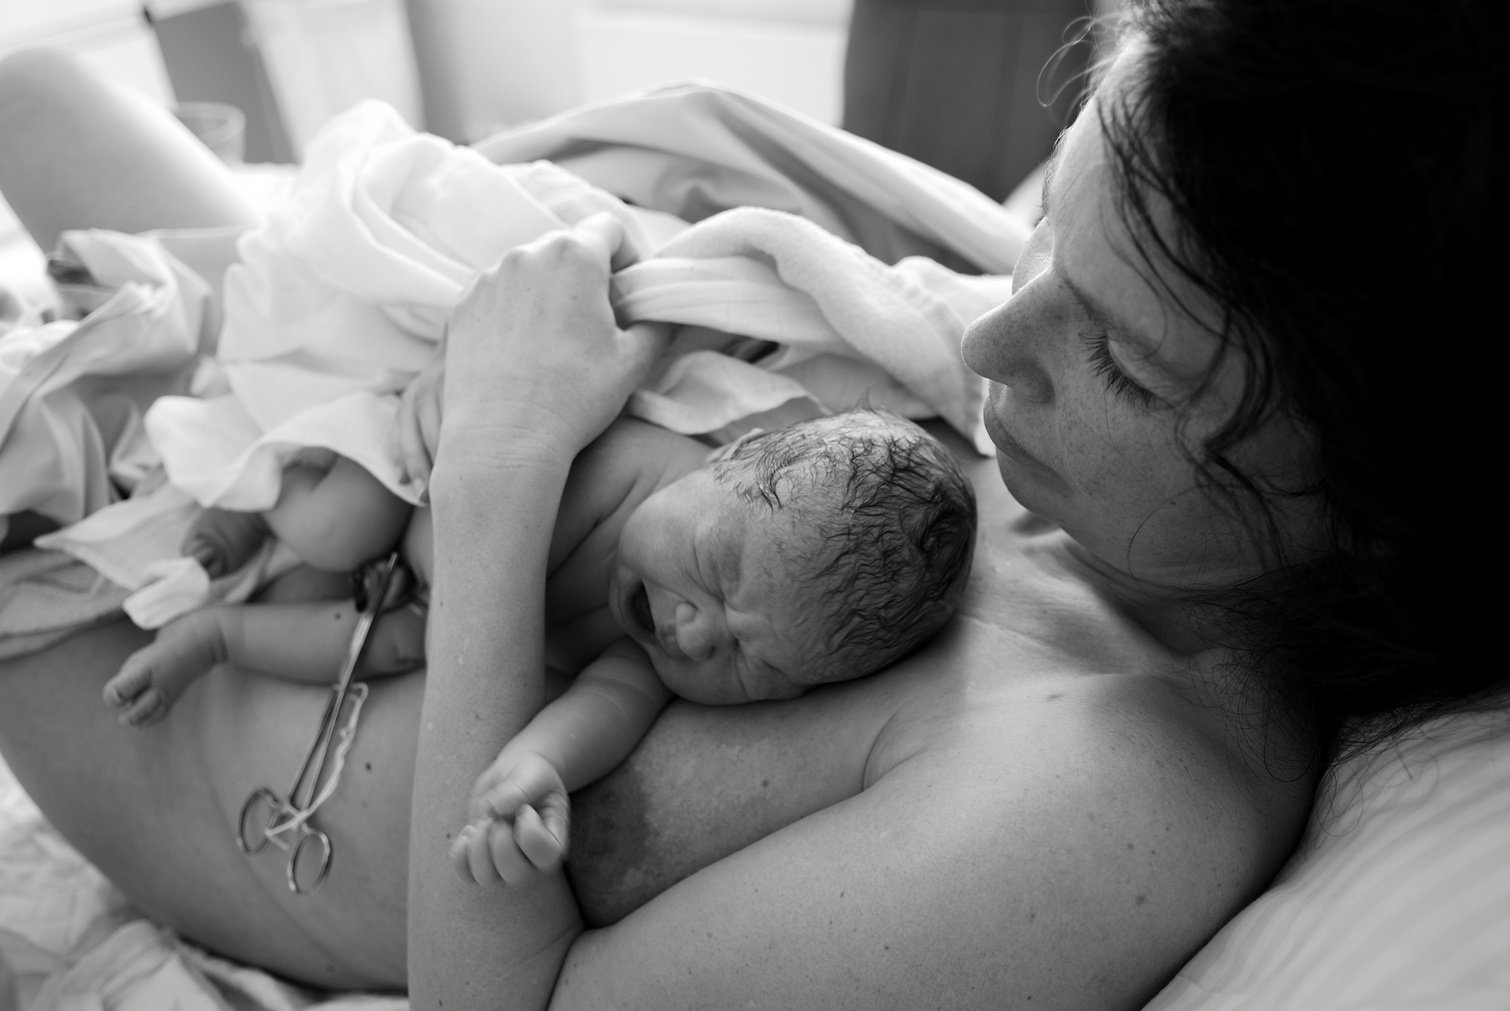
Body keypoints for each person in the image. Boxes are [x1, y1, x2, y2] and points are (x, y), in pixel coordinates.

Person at [0, 0, 1501, 1006]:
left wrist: (502, 469)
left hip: (85, 609)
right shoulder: (1077, 437)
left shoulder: (1096, 801)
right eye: (1055, 242)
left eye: (1114, 351)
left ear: (1367, 502)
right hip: (306, 419)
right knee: (38, 77)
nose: (987, 340)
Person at [98, 407, 976, 884]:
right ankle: (244, 492)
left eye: (755, 662)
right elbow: (496, 436)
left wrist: (531, 771)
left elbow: (603, 708)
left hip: (422, 606)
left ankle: (211, 637)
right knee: (336, 527)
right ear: (729, 454)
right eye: (712, 566)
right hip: (409, 494)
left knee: (384, 650)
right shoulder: (636, 461)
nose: (692, 628)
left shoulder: (657, 662)